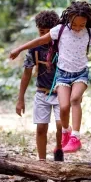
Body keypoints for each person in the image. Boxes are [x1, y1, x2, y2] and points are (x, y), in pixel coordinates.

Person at [9, 1, 91, 153]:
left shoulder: (88, 33)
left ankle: (75, 138)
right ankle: (66, 133)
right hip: (61, 77)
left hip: (80, 73)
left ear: (87, 22)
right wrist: (19, 49)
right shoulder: (60, 31)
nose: (77, 28)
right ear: (69, 18)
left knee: (74, 100)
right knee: (63, 108)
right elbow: (40, 41)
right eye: (74, 24)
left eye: (81, 25)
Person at [16, 10, 63, 161]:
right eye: (41, 31)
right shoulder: (34, 48)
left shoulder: (62, 46)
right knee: (41, 128)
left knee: (61, 124)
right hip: (42, 92)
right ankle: (42, 161)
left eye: (47, 31)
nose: (44, 35)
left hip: (61, 93)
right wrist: (20, 99)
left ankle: (59, 149)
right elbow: (27, 74)